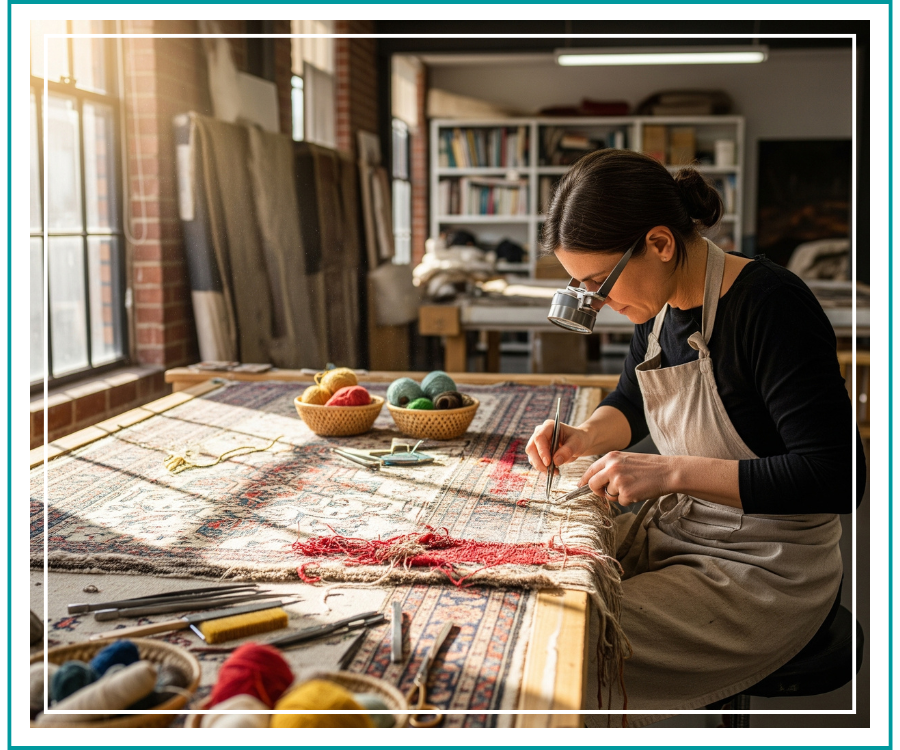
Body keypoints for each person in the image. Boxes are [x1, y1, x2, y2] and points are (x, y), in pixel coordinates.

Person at [525, 149, 864, 724]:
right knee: (542, 565)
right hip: (687, 522)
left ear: (660, 243)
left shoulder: (771, 305)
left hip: (767, 566)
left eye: (598, 283)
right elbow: (632, 400)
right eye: (581, 288)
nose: (599, 305)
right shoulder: (656, 306)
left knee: (564, 643)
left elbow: (836, 477)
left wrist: (670, 470)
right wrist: (583, 435)